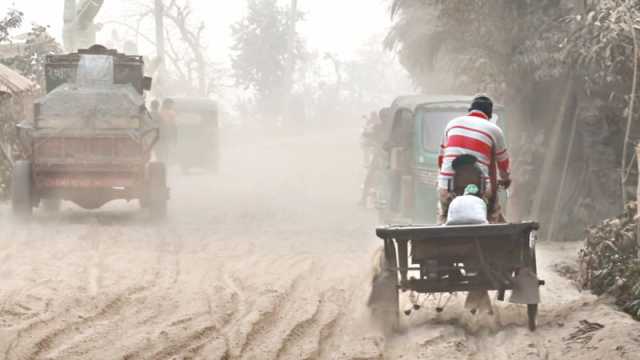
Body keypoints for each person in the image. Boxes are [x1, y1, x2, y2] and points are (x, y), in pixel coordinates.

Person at [437, 95, 511, 224]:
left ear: (470, 110)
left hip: (447, 188)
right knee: (493, 210)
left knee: (442, 213)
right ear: (489, 115)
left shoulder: (452, 124)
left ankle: (441, 226)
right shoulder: (494, 130)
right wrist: (505, 179)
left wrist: (443, 180)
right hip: (481, 192)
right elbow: (503, 164)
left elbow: (441, 159)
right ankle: (494, 232)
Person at [156, 98, 178, 164]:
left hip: (160, 135)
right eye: (172, 104)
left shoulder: (159, 112)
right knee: (166, 151)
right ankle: (164, 164)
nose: (172, 106)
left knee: (161, 151)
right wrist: (175, 137)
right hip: (166, 135)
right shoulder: (172, 113)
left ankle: (161, 163)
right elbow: (174, 126)